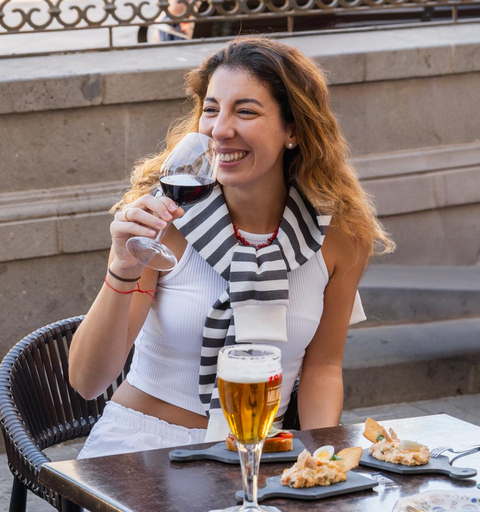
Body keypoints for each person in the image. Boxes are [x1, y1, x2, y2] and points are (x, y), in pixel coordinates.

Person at [69, 36, 393, 458]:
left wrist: (318, 460)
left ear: (293, 129)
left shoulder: (340, 239)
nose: (220, 130)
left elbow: (323, 369)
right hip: (143, 447)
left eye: (246, 111)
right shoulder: (165, 221)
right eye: (210, 109)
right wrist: (122, 267)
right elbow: (87, 381)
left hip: (259, 452)